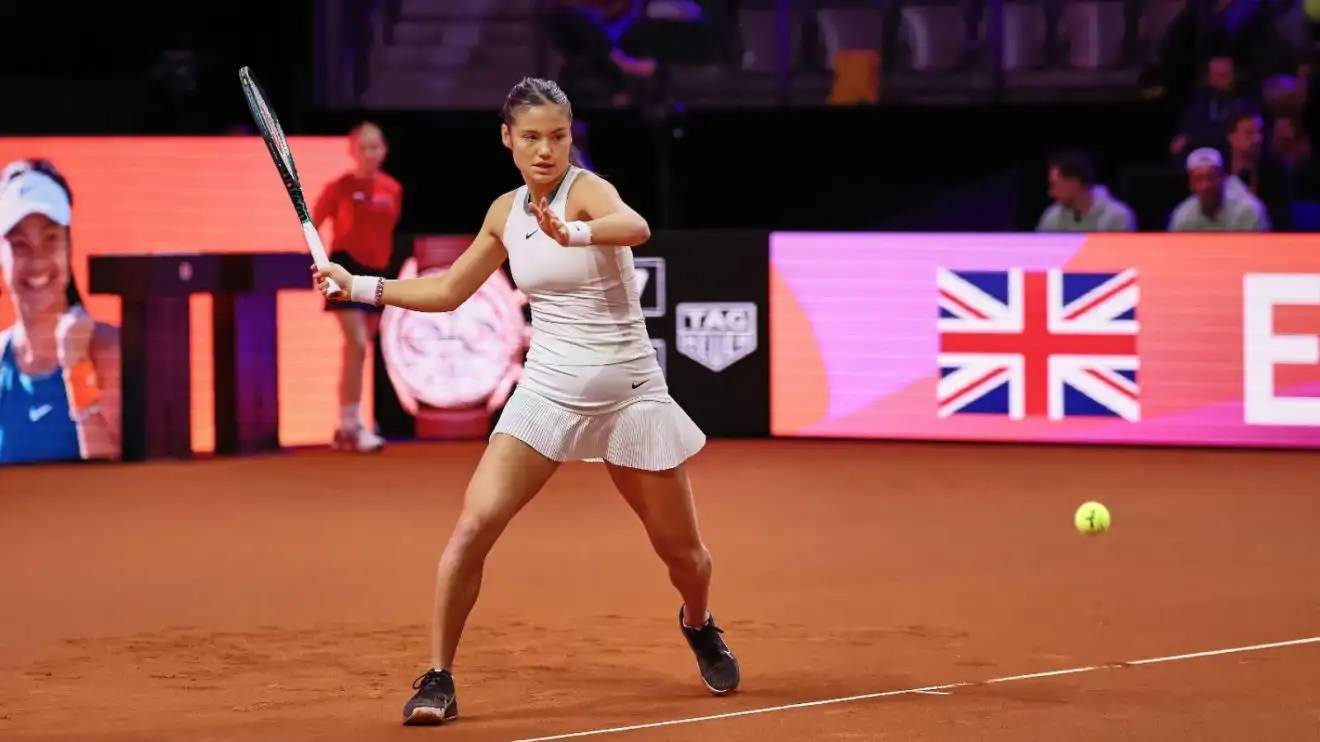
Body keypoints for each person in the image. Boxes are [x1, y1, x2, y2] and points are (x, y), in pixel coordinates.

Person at [313, 77, 739, 726]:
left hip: (630, 396)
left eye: (558, 137)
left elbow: (636, 226)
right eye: (532, 137)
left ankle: (699, 622)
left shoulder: (587, 192)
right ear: (507, 138)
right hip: (547, 393)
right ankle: (438, 677)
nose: (545, 150)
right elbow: (448, 292)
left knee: (685, 555)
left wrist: (574, 233)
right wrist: (359, 287)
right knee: (474, 525)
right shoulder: (504, 213)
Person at [0, 158, 121, 464]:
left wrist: (77, 370)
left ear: (69, 245)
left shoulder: (110, 352)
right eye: (20, 244)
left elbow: (118, 484)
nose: (37, 260)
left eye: (50, 238)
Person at [311, 122, 401, 453]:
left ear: (384, 151)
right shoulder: (339, 187)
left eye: (375, 147)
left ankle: (347, 425)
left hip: (376, 273)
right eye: (363, 148)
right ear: (352, 152)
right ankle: (352, 423)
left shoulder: (393, 188)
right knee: (358, 343)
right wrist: (321, 266)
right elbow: (314, 224)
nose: (369, 154)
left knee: (360, 350)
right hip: (342, 268)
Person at [1168, 147, 1271, 231]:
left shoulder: (1247, 211)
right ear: (1191, 185)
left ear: (1222, 178)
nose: (1206, 186)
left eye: (1210, 177)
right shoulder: (1183, 217)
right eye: (1199, 179)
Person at [1035, 150, 1137, 232]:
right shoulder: (1053, 215)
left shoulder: (1117, 217)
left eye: (1054, 185)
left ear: (1074, 183)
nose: (1051, 192)